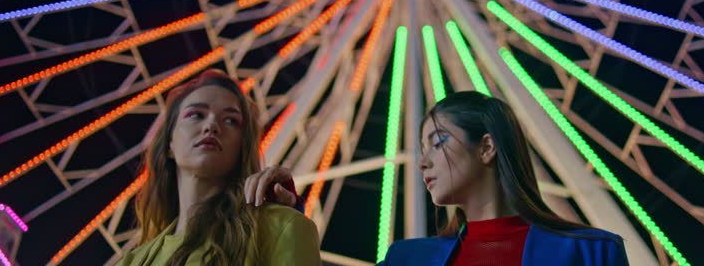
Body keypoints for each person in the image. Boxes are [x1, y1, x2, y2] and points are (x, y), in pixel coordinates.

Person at [376, 91, 629, 265]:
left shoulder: (594, 253)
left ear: (486, 148)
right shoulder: (405, 259)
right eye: (422, 148)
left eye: (438, 142)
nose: (422, 163)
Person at [116, 69, 321, 266]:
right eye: (196, 115)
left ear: (242, 147)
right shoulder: (132, 261)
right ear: (169, 142)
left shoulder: (279, 228)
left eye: (231, 120)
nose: (212, 125)